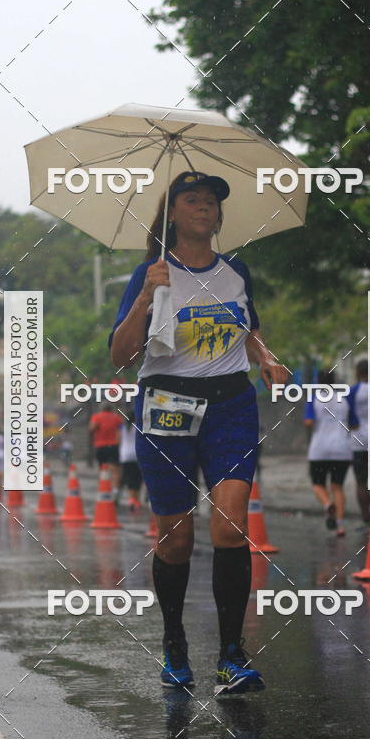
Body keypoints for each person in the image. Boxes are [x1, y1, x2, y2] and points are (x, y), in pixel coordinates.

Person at [109, 170, 289, 694]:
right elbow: (121, 356)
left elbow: (248, 328)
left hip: (232, 404)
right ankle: (174, 645)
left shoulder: (236, 271)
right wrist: (146, 297)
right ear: (173, 215)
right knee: (176, 538)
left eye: (211, 201)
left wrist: (268, 360)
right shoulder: (152, 272)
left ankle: (232, 655)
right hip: (166, 403)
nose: (205, 207)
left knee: (231, 527)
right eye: (193, 200)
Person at [304, 370, 357, 537]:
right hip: (342, 449)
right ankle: (340, 526)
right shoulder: (345, 399)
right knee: (337, 487)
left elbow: (309, 422)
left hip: (319, 450)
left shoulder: (313, 398)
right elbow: (354, 424)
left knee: (317, 484)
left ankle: (327, 505)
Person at [348, 359, 370, 526]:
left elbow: (349, 417)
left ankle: (366, 518)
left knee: (362, 482)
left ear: (357, 372)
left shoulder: (352, 391)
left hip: (359, 442)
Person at [88, 403, 124, 489]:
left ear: (101, 409)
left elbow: (91, 429)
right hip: (113, 445)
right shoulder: (116, 417)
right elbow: (122, 430)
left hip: (101, 446)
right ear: (111, 409)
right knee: (115, 469)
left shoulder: (96, 417)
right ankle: (115, 489)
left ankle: (104, 488)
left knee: (102, 468)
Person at [118, 412, 142, 511]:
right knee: (137, 478)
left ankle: (131, 499)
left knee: (129, 478)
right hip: (136, 456)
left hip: (125, 456)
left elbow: (118, 439)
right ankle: (136, 499)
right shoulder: (137, 427)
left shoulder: (122, 427)